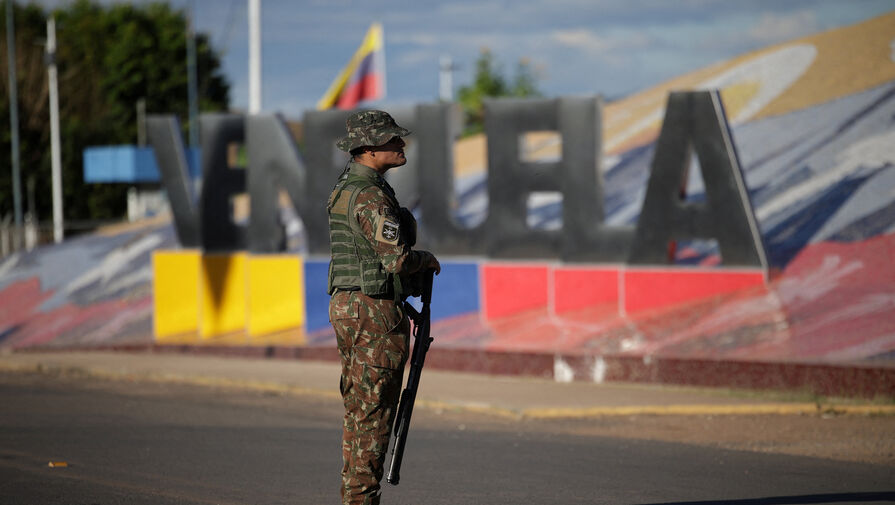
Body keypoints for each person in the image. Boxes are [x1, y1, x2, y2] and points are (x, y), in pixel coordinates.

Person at [327, 110, 440, 505]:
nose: (401, 144)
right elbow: (396, 260)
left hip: (352, 309)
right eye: (393, 141)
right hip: (372, 313)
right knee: (373, 418)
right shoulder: (371, 195)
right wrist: (425, 259)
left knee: (361, 413)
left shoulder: (346, 188)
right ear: (370, 149)